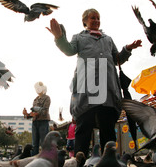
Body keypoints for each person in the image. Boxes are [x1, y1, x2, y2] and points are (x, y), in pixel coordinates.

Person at [47, 10, 142, 157]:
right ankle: (79, 166)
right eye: (93, 18)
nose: (96, 20)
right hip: (86, 88)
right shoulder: (78, 37)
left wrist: (128, 49)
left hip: (108, 88)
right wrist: (59, 37)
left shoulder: (108, 39)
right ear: (85, 21)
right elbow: (69, 50)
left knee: (108, 129)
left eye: (98, 18)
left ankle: (109, 166)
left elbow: (118, 59)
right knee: (84, 126)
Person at [23, 81, 51, 156]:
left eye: (39, 88)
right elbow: (32, 113)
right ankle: (33, 160)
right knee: (34, 144)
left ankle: (45, 160)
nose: (37, 90)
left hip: (43, 122)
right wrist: (26, 114)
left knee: (44, 143)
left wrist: (36, 112)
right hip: (35, 122)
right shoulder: (35, 100)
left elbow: (45, 111)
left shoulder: (47, 98)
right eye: (36, 88)